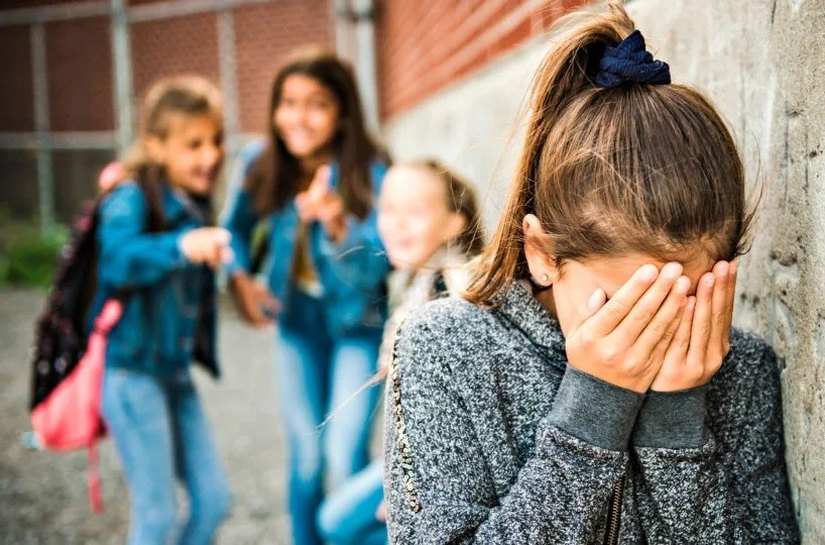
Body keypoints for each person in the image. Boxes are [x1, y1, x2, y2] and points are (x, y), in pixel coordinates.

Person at [383, 3, 800, 544]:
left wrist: (677, 425)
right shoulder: (445, 348)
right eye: (625, 307)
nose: (650, 334)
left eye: (683, 299)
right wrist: (592, 413)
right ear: (542, 253)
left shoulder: (740, 370)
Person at [222, 49, 389, 545]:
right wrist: (239, 278)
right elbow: (232, 231)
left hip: (358, 325)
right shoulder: (260, 162)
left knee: (344, 453)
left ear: (342, 113)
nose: (298, 117)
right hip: (296, 325)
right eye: (288, 102)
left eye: (317, 104)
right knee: (308, 458)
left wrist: (337, 225)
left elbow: (379, 267)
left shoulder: (370, 170)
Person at [316, 159, 484, 545]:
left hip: (439, 467)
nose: (397, 223)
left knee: (338, 524)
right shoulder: (418, 281)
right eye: (389, 208)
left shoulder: (451, 292)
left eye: (415, 211)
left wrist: (409, 488)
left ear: (454, 224)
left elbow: (453, 410)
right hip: (415, 456)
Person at [95, 76, 233, 545]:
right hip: (132, 376)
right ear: (156, 147)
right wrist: (181, 246)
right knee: (156, 516)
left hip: (174, 374)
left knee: (213, 501)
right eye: (194, 144)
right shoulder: (131, 196)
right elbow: (115, 261)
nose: (211, 155)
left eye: (216, 140)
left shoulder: (194, 203)